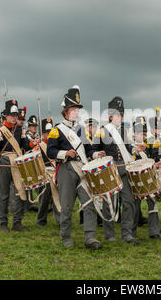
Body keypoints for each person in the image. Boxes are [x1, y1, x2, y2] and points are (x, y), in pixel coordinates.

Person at [47, 86, 104, 249]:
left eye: (78, 109)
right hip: (66, 169)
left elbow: (88, 149)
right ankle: (65, 237)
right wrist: (65, 153)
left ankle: (90, 237)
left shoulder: (81, 130)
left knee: (89, 203)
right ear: (66, 111)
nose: (77, 112)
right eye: (74, 109)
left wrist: (95, 155)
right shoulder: (56, 130)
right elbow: (50, 151)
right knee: (66, 206)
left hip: (82, 168)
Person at [93, 96, 139, 245]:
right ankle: (109, 233)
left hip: (124, 168)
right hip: (109, 169)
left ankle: (127, 233)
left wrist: (136, 149)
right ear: (110, 115)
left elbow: (127, 148)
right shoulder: (102, 131)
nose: (119, 117)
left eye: (121, 114)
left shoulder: (124, 132)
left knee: (129, 201)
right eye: (117, 114)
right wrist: (98, 154)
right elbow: (93, 150)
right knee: (109, 203)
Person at [0, 100, 35, 232]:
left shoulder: (20, 131)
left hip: (17, 162)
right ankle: (3, 223)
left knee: (19, 192)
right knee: (3, 194)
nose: (15, 118)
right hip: (4, 162)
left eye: (16, 115)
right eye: (12, 115)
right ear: (6, 116)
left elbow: (25, 145)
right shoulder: (0, 131)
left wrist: (32, 144)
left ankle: (17, 222)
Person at [132, 115, 161, 240]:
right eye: (141, 133)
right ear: (135, 133)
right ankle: (131, 232)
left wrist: (156, 164)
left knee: (153, 204)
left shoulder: (149, 146)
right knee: (134, 206)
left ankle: (154, 232)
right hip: (136, 181)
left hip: (149, 179)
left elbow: (153, 159)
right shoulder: (130, 147)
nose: (143, 135)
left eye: (145, 133)